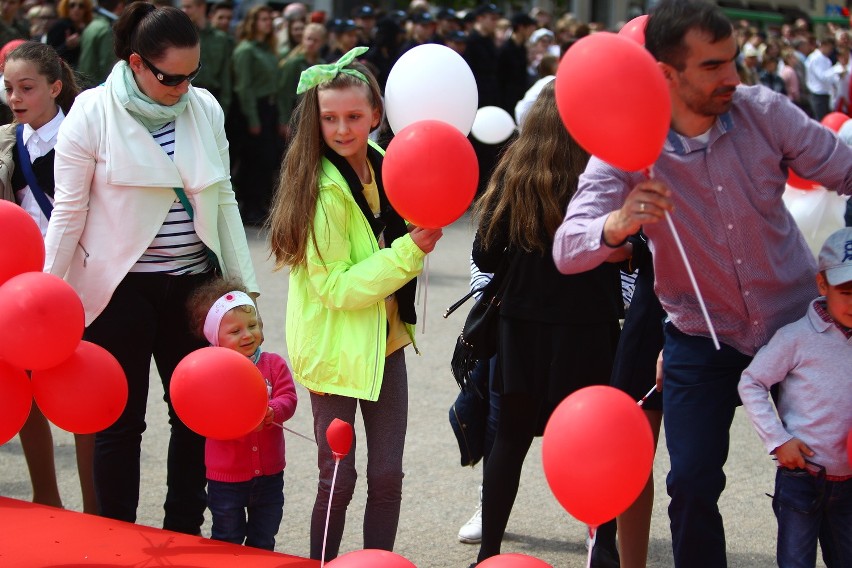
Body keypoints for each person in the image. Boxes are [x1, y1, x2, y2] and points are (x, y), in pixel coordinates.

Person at [552, 1, 852, 566]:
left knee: (833, 470)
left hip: (794, 322)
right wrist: (618, 223)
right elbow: (566, 250)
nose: (733, 77)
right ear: (666, 74)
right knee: (689, 486)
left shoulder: (765, 111)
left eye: (734, 60)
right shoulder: (624, 145)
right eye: (713, 66)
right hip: (698, 334)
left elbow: (847, 169)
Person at [43, 3, 259, 535]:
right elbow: (68, 212)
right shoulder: (91, 113)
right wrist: (49, 298)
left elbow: (224, 198)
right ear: (137, 63)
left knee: (194, 414)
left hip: (195, 287)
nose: (184, 88)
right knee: (120, 423)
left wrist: (245, 288)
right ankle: (119, 536)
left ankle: (182, 531)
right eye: (171, 77)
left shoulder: (204, 108)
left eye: (193, 75)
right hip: (120, 289)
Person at [267, 47, 442, 561]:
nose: (342, 129)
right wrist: (410, 250)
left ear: (376, 116)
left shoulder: (390, 164)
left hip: (385, 346)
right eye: (329, 119)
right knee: (338, 476)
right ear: (315, 121)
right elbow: (337, 288)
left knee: (388, 475)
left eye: (353, 117)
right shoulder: (321, 191)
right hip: (335, 354)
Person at [471, 81, 623, 567]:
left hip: (523, 325)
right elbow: (633, 253)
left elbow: (485, 253)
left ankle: (490, 552)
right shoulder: (604, 175)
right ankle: (603, 550)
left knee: (510, 440)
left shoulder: (517, 172)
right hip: (591, 323)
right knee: (596, 442)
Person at [0, 40, 96, 514]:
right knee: (25, 390)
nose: (15, 98)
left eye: (27, 88)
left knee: (82, 389)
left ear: (56, 87)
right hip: (21, 287)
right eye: (9, 88)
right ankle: (46, 496)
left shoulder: (84, 137)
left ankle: (97, 506)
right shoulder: (5, 141)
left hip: (79, 281)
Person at [738, 227, 852, 568]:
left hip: (849, 484)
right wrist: (778, 440)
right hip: (802, 477)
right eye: (846, 291)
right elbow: (752, 382)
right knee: (795, 563)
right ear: (822, 285)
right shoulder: (796, 338)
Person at [187, 278, 297, 551]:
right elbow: (203, 417)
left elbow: (289, 398)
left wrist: (274, 411)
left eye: (252, 325)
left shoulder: (273, 365)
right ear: (216, 338)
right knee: (227, 538)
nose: (247, 335)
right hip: (227, 478)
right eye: (235, 331)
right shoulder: (211, 373)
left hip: (270, 474)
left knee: (264, 538)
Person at [232, 4, 283, 225]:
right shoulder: (246, 50)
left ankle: (259, 204)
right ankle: (249, 207)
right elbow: (244, 87)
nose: (267, 23)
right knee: (253, 160)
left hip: (269, 108)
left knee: (267, 160)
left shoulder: (267, 48)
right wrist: (253, 118)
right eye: (262, 19)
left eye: (269, 19)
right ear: (253, 22)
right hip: (254, 109)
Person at [46, 0, 93, 69]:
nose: (76, 9)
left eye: (81, 6)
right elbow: (49, 55)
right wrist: (66, 45)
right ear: (66, 8)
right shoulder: (59, 26)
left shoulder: (84, 28)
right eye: (72, 5)